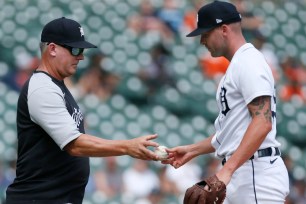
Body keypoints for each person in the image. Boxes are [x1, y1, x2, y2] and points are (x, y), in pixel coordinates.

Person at [5, 17, 160, 204]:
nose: (81, 56)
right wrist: (127, 147)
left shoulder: (57, 86)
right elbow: (74, 144)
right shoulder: (42, 88)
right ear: (52, 49)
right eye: (75, 49)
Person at [163, 1, 289, 203]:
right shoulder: (237, 65)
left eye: (205, 33)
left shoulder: (249, 61)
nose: (202, 40)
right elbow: (231, 133)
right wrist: (192, 150)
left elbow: (262, 121)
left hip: (256, 172)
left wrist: (226, 171)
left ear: (223, 29)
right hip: (244, 170)